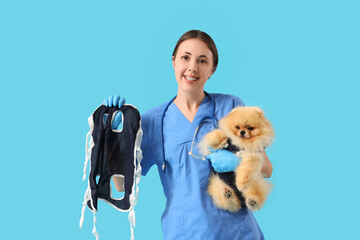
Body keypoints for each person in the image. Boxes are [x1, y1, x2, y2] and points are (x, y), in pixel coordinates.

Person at [104, 30, 272, 240]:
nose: (193, 67)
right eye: (185, 57)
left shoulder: (232, 107)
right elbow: (120, 186)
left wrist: (238, 163)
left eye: (202, 61)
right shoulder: (151, 122)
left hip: (238, 234)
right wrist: (116, 138)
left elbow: (266, 168)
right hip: (184, 233)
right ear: (173, 61)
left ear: (212, 69)